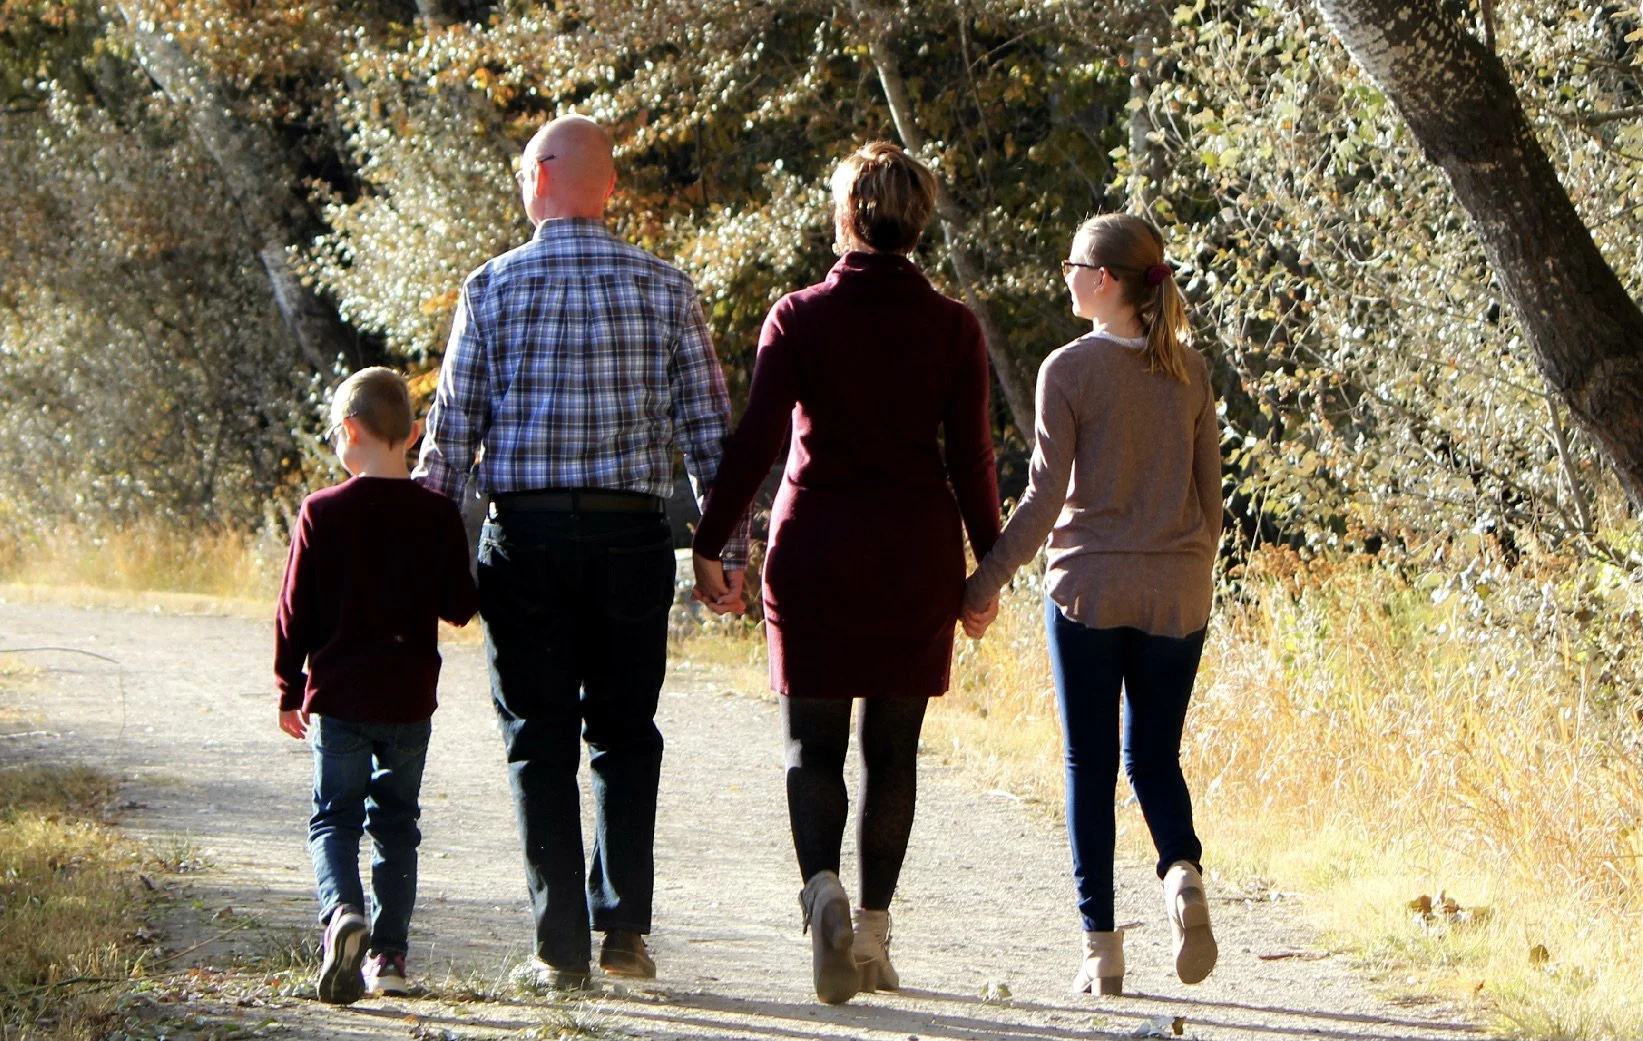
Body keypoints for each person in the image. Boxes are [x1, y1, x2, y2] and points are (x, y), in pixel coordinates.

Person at [413, 114, 749, 990]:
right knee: (625, 735)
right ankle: (624, 934)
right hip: (631, 537)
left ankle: (558, 946)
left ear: (539, 179)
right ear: (606, 189)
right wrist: (723, 552)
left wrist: (412, 557)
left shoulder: (489, 287)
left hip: (523, 537)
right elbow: (712, 436)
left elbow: (450, 442)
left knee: (537, 737)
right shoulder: (665, 287)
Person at [691, 141, 1001, 1005]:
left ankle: (819, 888)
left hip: (815, 548)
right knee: (891, 752)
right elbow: (972, 460)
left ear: (844, 217)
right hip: (913, 554)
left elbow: (755, 439)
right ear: (920, 221)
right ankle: (870, 935)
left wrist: (712, 539)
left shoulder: (799, 315)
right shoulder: (953, 327)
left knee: (810, 745)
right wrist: (989, 569)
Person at [961, 213, 1223, 996]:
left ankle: (1101, 950)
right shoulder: (1189, 369)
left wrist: (984, 581)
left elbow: (1043, 499)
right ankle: (1180, 872)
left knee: (1089, 762)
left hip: (1087, 587)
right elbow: (1209, 496)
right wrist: (1186, 561)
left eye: (1071, 263)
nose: (1064, 275)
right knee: (1154, 756)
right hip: (1176, 588)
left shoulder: (1067, 369)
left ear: (1103, 279)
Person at [275, 366, 479, 1005]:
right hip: (408, 699)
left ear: (351, 432)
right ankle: (389, 956)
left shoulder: (321, 511)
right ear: (414, 433)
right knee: (396, 824)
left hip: (338, 697)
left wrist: (288, 686)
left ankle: (342, 915)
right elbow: (458, 605)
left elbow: (294, 611)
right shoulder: (437, 513)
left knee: (333, 817)